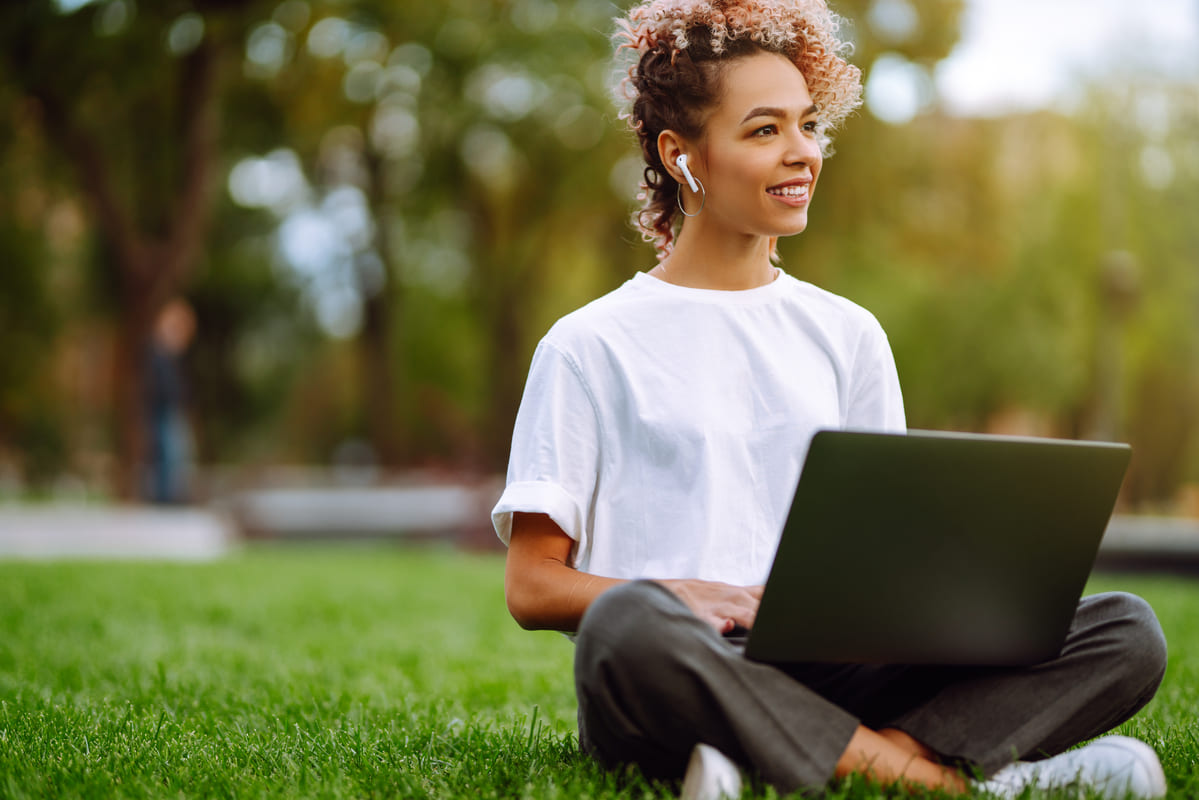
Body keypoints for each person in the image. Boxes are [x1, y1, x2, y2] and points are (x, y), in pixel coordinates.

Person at [491, 1, 1168, 797]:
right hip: (678, 661)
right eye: (763, 130)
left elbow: (885, 555)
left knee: (1125, 630)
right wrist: (675, 592)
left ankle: (772, 763)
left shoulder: (846, 336)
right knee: (624, 628)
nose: (802, 153)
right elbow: (532, 585)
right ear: (682, 156)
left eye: (809, 126)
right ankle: (953, 779)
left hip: (837, 666)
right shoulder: (588, 345)